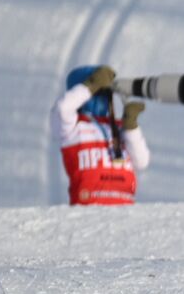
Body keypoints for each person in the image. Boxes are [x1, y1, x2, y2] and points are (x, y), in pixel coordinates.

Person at [52, 65, 150, 206]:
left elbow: (142, 162)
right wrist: (91, 85)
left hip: (126, 209)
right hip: (87, 209)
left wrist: (131, 128)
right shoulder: (73, 126)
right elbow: (63, 108)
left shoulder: (118, 127)